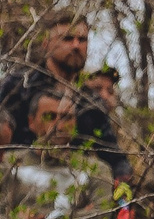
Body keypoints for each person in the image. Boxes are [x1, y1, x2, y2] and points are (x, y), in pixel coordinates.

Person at [1, 81, 122, 219]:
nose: (59, 125)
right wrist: (77, 214)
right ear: (31, 122)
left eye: (67, 117)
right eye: (50, 116)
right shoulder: (9, 162)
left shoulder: (96, 169)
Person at [6, 9, 129, 180]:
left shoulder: (91, 101)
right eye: (67, 38)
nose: (76, 45)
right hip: (18, 181)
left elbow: (113, 155)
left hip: (72, 185)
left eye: (82, 40)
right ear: (46, 44)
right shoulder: (19, 85)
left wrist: (122, 178)